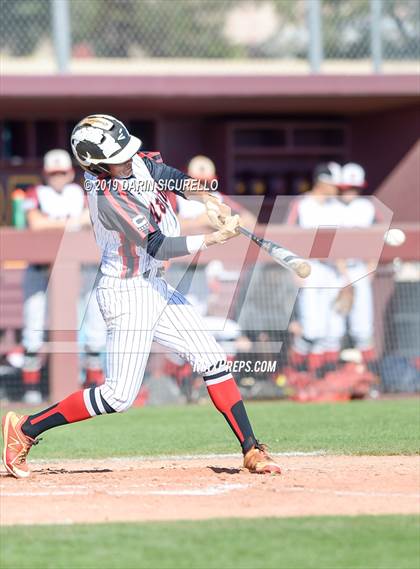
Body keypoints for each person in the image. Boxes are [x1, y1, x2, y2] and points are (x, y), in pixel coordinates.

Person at [2, 114, 281, 478]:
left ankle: (250, 448)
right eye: (118, 156)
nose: (128, 158)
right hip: (127, 291)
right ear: (96, 164)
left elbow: (169, 176)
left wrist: (207, 198)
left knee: (212, 359)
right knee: (118, 396)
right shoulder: (107, 197)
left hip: (155, 285)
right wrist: (211, 238)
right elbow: (158, 245)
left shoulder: (132, 162)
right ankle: (24, 430)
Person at [20, 149, 106, 404]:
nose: (58, 177)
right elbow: (36, 223)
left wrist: (60, 222)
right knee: (33, 328)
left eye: (62, 172)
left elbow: (93, 219)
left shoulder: (78, 193)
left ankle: (92, 386)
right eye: (53, 173)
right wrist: (73, 222)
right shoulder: (35, 193)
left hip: (74, 272)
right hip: (40, 270)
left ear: (70, 172)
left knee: (91, 329)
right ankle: (31, 390)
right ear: (46, 174)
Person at [285, 162, 342, 377]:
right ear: (322, 182)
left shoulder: (336, 207)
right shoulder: (302, 204)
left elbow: (343, 242)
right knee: (311, 329)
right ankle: (293, 374)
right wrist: (293, 268)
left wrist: (346, 277)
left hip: (332, 270)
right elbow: (287, 237)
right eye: (334, 183)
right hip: (308, 267)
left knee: (331, 330)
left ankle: (320, 378)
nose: (337, 188)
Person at [327, 163, 377, 364]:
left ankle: (366, 374)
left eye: (354, 188)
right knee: (332, 329)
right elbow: (331, 243)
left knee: (362, 327)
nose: (350, 192)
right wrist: (344, 274)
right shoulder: (331, 207)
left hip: (359, 269)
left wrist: (371, 267)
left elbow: (374, 238)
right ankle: (326, 373)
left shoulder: (367, 207)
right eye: (347, 188)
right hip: (334, 272)